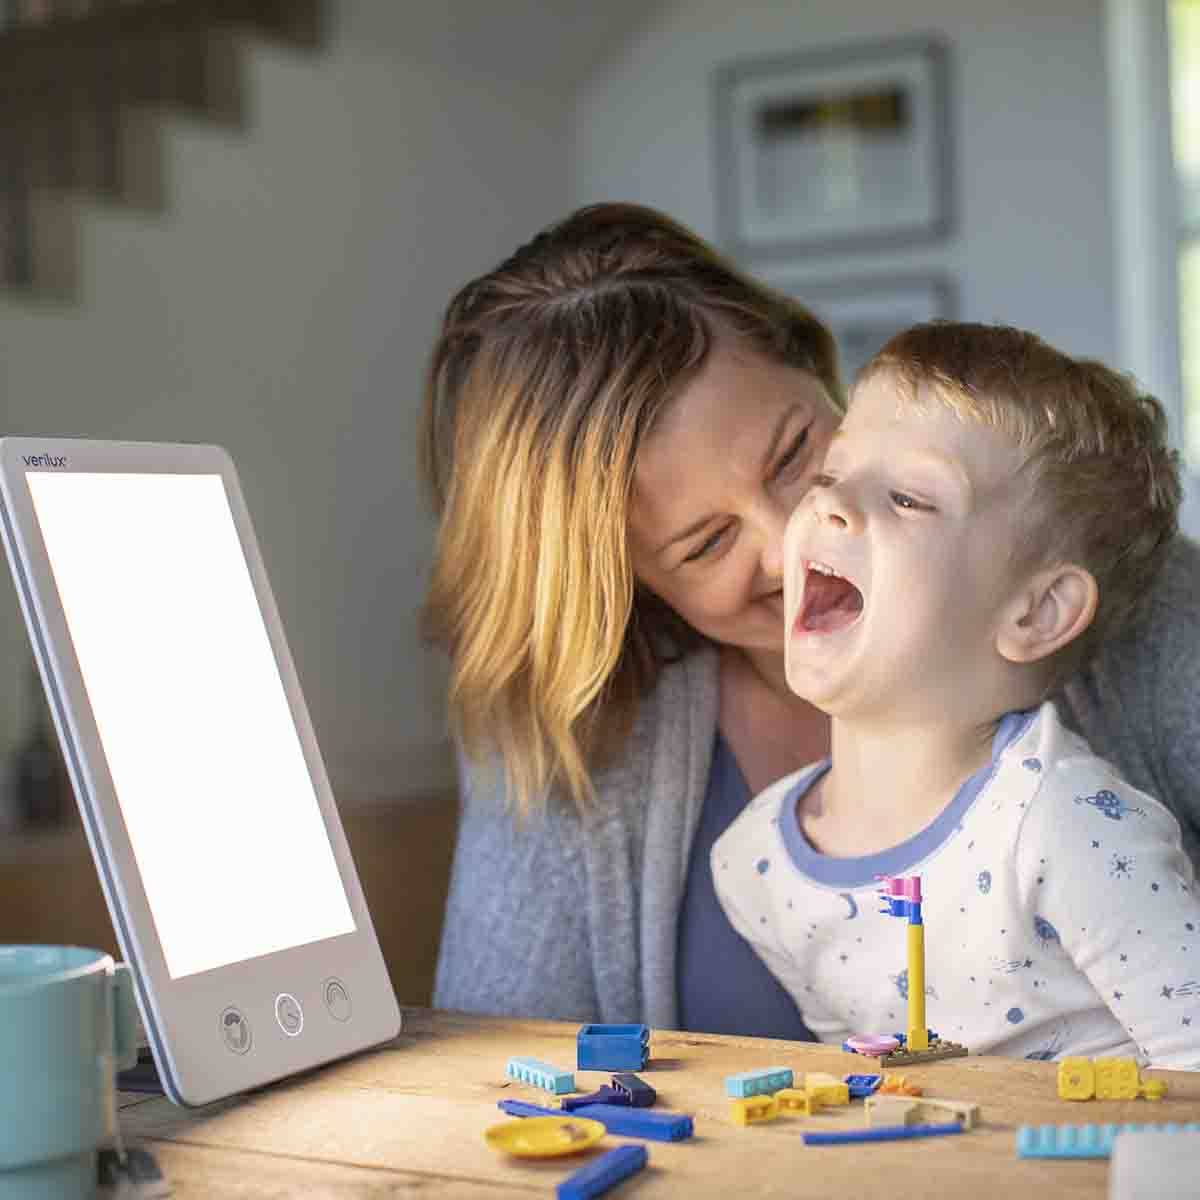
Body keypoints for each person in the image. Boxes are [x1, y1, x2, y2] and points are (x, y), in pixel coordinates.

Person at [421, 202, 1200, 1037]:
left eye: (797, 456)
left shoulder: (1134, 613)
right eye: (707, 543)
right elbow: (502, 1076)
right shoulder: (594, 752)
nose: (797, 531)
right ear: (632, 588)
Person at [712, 321, 1200, 1067]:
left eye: (908, 497)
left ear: (1037, 614)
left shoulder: (1068, 830)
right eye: (828, 476)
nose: (829, 505)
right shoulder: (754, 865)